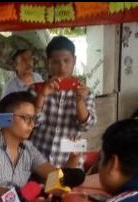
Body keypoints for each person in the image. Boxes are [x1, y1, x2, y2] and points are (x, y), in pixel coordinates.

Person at [0, 91, 79, 194]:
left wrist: (73, 158)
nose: (32, 124)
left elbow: (55, 175)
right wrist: (24, 193)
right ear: (5, 119)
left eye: (33, 118)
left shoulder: (29, 148)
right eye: (26, 118)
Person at [31, 36, 96, 167]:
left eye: (67, 61)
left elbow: (86, 126)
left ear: (74, 61)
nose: (62, 67)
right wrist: (42, 96)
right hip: (38, 162)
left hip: (70, 163)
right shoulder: (35, 89)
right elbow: (31, 123)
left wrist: (79, 101)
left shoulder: (85, 92)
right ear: (47, 62)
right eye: (55, 62)